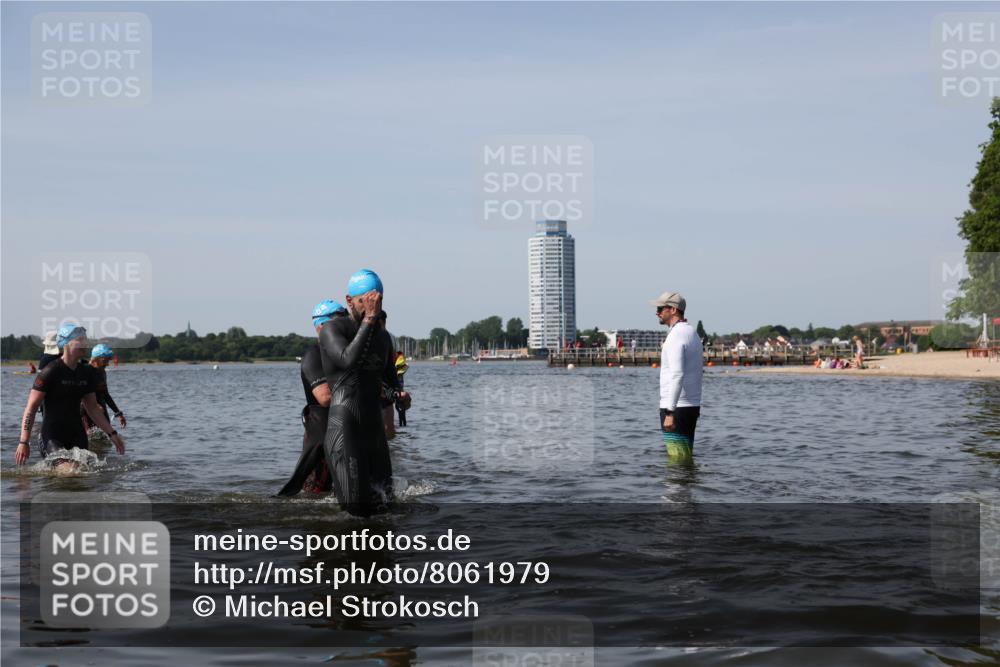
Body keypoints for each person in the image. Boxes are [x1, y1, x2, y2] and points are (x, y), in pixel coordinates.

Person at [318, 270, 410, 516]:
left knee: (386, 507)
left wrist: (399, 398)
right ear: (349, 301)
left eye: (376, 302)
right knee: (356, 512)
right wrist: (369, 319)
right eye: (365, 302)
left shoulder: (383, 338)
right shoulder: (332, 330)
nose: (372, 307)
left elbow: (390, 383)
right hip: (345, 428)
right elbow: (347, 360)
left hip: (373, 431)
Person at [15, 324, 125, 467]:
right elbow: (31, 408)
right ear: (65, 344)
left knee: (82, 476)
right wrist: (24, 442)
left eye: (85, 339)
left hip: (78, 435)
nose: (84, 343)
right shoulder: (50, 371)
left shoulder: (87, 372)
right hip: (52, 437)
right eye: (79, 339)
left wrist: (112, 434)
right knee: (68, 471)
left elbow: (92, 408)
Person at [277, 300, 346, 497]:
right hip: (322, 433)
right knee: (313, 495)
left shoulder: (343, 355)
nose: (346, 328)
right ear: (322, 326)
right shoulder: (313, 356)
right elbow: (324, 397)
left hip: (344, 431)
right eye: (340, 323)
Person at [650, 292, 703, 459]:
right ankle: (688, 484)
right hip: (691, 405)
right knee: (685, 458)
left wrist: (670, 412)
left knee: (677, 461)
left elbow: (677, 374)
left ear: (673, 310)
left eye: (660, 308)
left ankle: (678, 485)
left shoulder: (675, 336)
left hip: (676, 407)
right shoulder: (692, 333)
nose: (657, 312)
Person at [81, 343, 127, 433]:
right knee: (89, 436)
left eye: (108, 361)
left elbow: (105, 394)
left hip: (100, 408)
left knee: (106, 434)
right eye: (105, 361)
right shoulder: (83, 371)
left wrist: (118, 413)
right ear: (96, 359)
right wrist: (95, 405)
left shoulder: (102, 372)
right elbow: (79, 394)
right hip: (85, 410)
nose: (107, 364)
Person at [394, 351, 409, 427]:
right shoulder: (399, 372)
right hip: (398, 390)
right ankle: (403, 426)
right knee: (401, 409)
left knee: (400, 408)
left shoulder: (398, 373)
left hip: (398, 391)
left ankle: (402, 425)